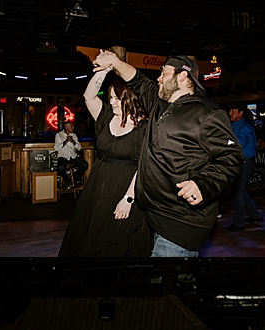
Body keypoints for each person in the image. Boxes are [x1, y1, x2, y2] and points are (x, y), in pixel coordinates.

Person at [92, 50, 243, 257]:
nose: (159, 78)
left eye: (164, 73)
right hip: (155, 215)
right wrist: (114, 62)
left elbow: (231, 156)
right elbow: (137, 80)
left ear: (182, 76)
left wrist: (204, 184)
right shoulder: (158, 104)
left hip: (182, 220)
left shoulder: (207, 113)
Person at [59, 69, 153, 257]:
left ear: (130, 99)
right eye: (110, 97)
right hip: (97, 185)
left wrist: (128, 199)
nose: (111, 102)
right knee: (88, 232)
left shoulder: (144, 128)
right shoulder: (106, 117)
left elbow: (144, 166)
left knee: (114, 237)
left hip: (124, 188)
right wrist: (105, 69)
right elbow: (89, 95)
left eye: (116, 98)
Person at [223, 107, 264, 232]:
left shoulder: (244, 127)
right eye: (230, 111)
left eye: (233, 111)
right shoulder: (236, 125)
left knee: (237, 191)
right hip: (241, 161)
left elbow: (239, 143)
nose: (230, 113)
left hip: (245, 162)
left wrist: (225, 142)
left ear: (241, 113)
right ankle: (255, 216)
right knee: (240, 190)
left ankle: (239, 223)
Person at [54, 120, 89, 187]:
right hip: (63, 156)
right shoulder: (59, 135)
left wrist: (73, 141)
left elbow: (79, 148)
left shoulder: (74, 135)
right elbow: (56, 148)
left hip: (73, 156)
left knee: (85, 165)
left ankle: (74, 178)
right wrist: (66, 141)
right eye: (71, 126)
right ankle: (66, 179)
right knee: (61, 167)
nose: (73, 128)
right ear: (66, 128)